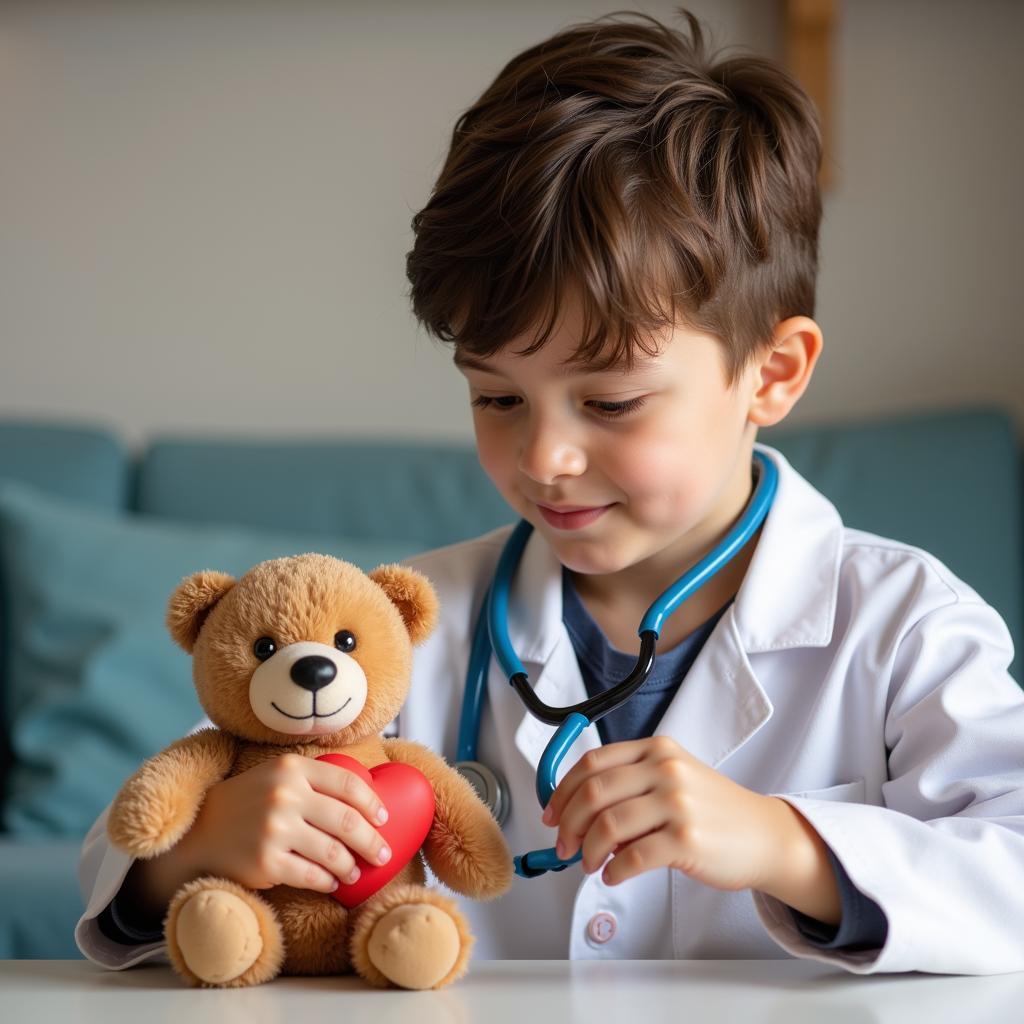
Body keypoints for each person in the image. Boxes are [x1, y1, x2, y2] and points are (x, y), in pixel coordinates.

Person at [77, 7, 1024, 975]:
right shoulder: (398, 627)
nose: (545, 457)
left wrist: (786, 843)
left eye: (609, 401)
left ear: (772, 373)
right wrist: (200, 848)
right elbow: (118, 853)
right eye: (495, 396)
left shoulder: (902, 623)